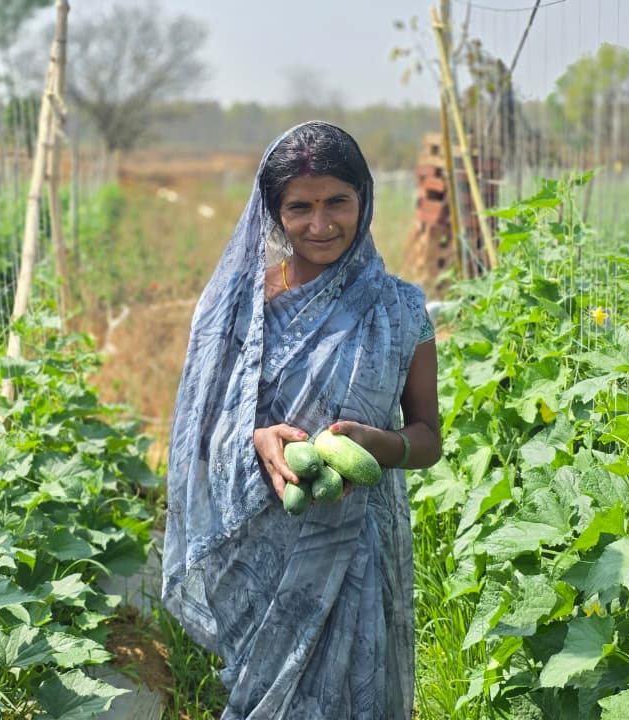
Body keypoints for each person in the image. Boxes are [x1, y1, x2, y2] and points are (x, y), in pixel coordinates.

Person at [161, 120, 441, 719]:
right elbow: (197, 435)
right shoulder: (239, 308)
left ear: (363, 199)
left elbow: (428, 437)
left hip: (359, 540)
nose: (321, 224)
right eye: (300, 208)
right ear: (273, 214)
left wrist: (379, 445)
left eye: (337, 201)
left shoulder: (400, 309)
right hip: (265, 542)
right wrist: (258, 438)